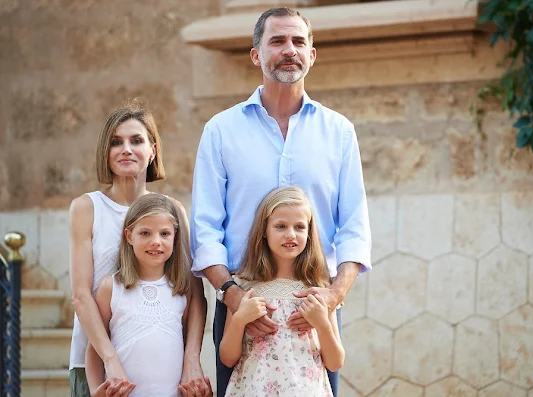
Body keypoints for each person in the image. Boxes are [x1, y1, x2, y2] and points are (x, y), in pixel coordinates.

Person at [190, 7, 371, 397]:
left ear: (312, 54)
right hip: (240, 303)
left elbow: (355, 226)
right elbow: (204, 229)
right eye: (277, 41)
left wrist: (333, 296)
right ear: (256, 54)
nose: (289, 50)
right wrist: (233, 297)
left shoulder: (339, 132)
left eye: (298, 42)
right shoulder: (221, 131)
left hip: (315, 306)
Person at [70, 101, 210, 397]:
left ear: (153, 150)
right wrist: (111, 361)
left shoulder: (172, 211)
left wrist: (192, 358)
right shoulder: (86, 208)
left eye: (136, 140)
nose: (126, 149)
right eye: (116, 142)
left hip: (162, 369)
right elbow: (81, 295)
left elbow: (193, 293)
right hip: (98, 362)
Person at [220, 187, 344, 397]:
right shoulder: (243, 287)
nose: (290, 234)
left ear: (309, 232)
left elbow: (335, 362)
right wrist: (240, 320)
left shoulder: (319, 289)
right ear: (264, 232)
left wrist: (321, 323)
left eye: (299, 227)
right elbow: (227, 358)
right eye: (280, 226)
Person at [86, 194, 210, 397]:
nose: (156, 242)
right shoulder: (111, 288)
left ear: (175, 237)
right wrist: (95, 391)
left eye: (164, 234)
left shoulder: (180, 290)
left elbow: (187, 342)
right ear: (129, 236)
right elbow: (95, 349)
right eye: (145, 233)